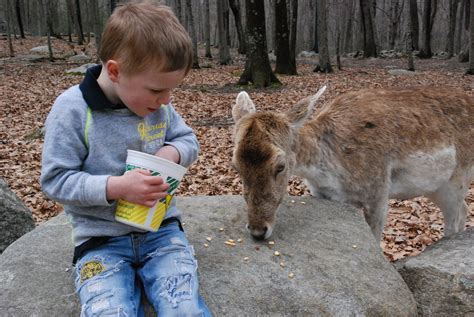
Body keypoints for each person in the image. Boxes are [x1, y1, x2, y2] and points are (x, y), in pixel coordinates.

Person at [40, 3, 211, 316]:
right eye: (158, 89)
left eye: (172, 90)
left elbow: (188, 140)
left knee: (184, 307)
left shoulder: (160, 107)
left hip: (162, 233)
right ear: (115, 71)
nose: (167, 100)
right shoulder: (73, 111)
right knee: (109, 310)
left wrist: (171, 152)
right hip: (100, 241)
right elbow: (55, 180)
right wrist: (117, 187)